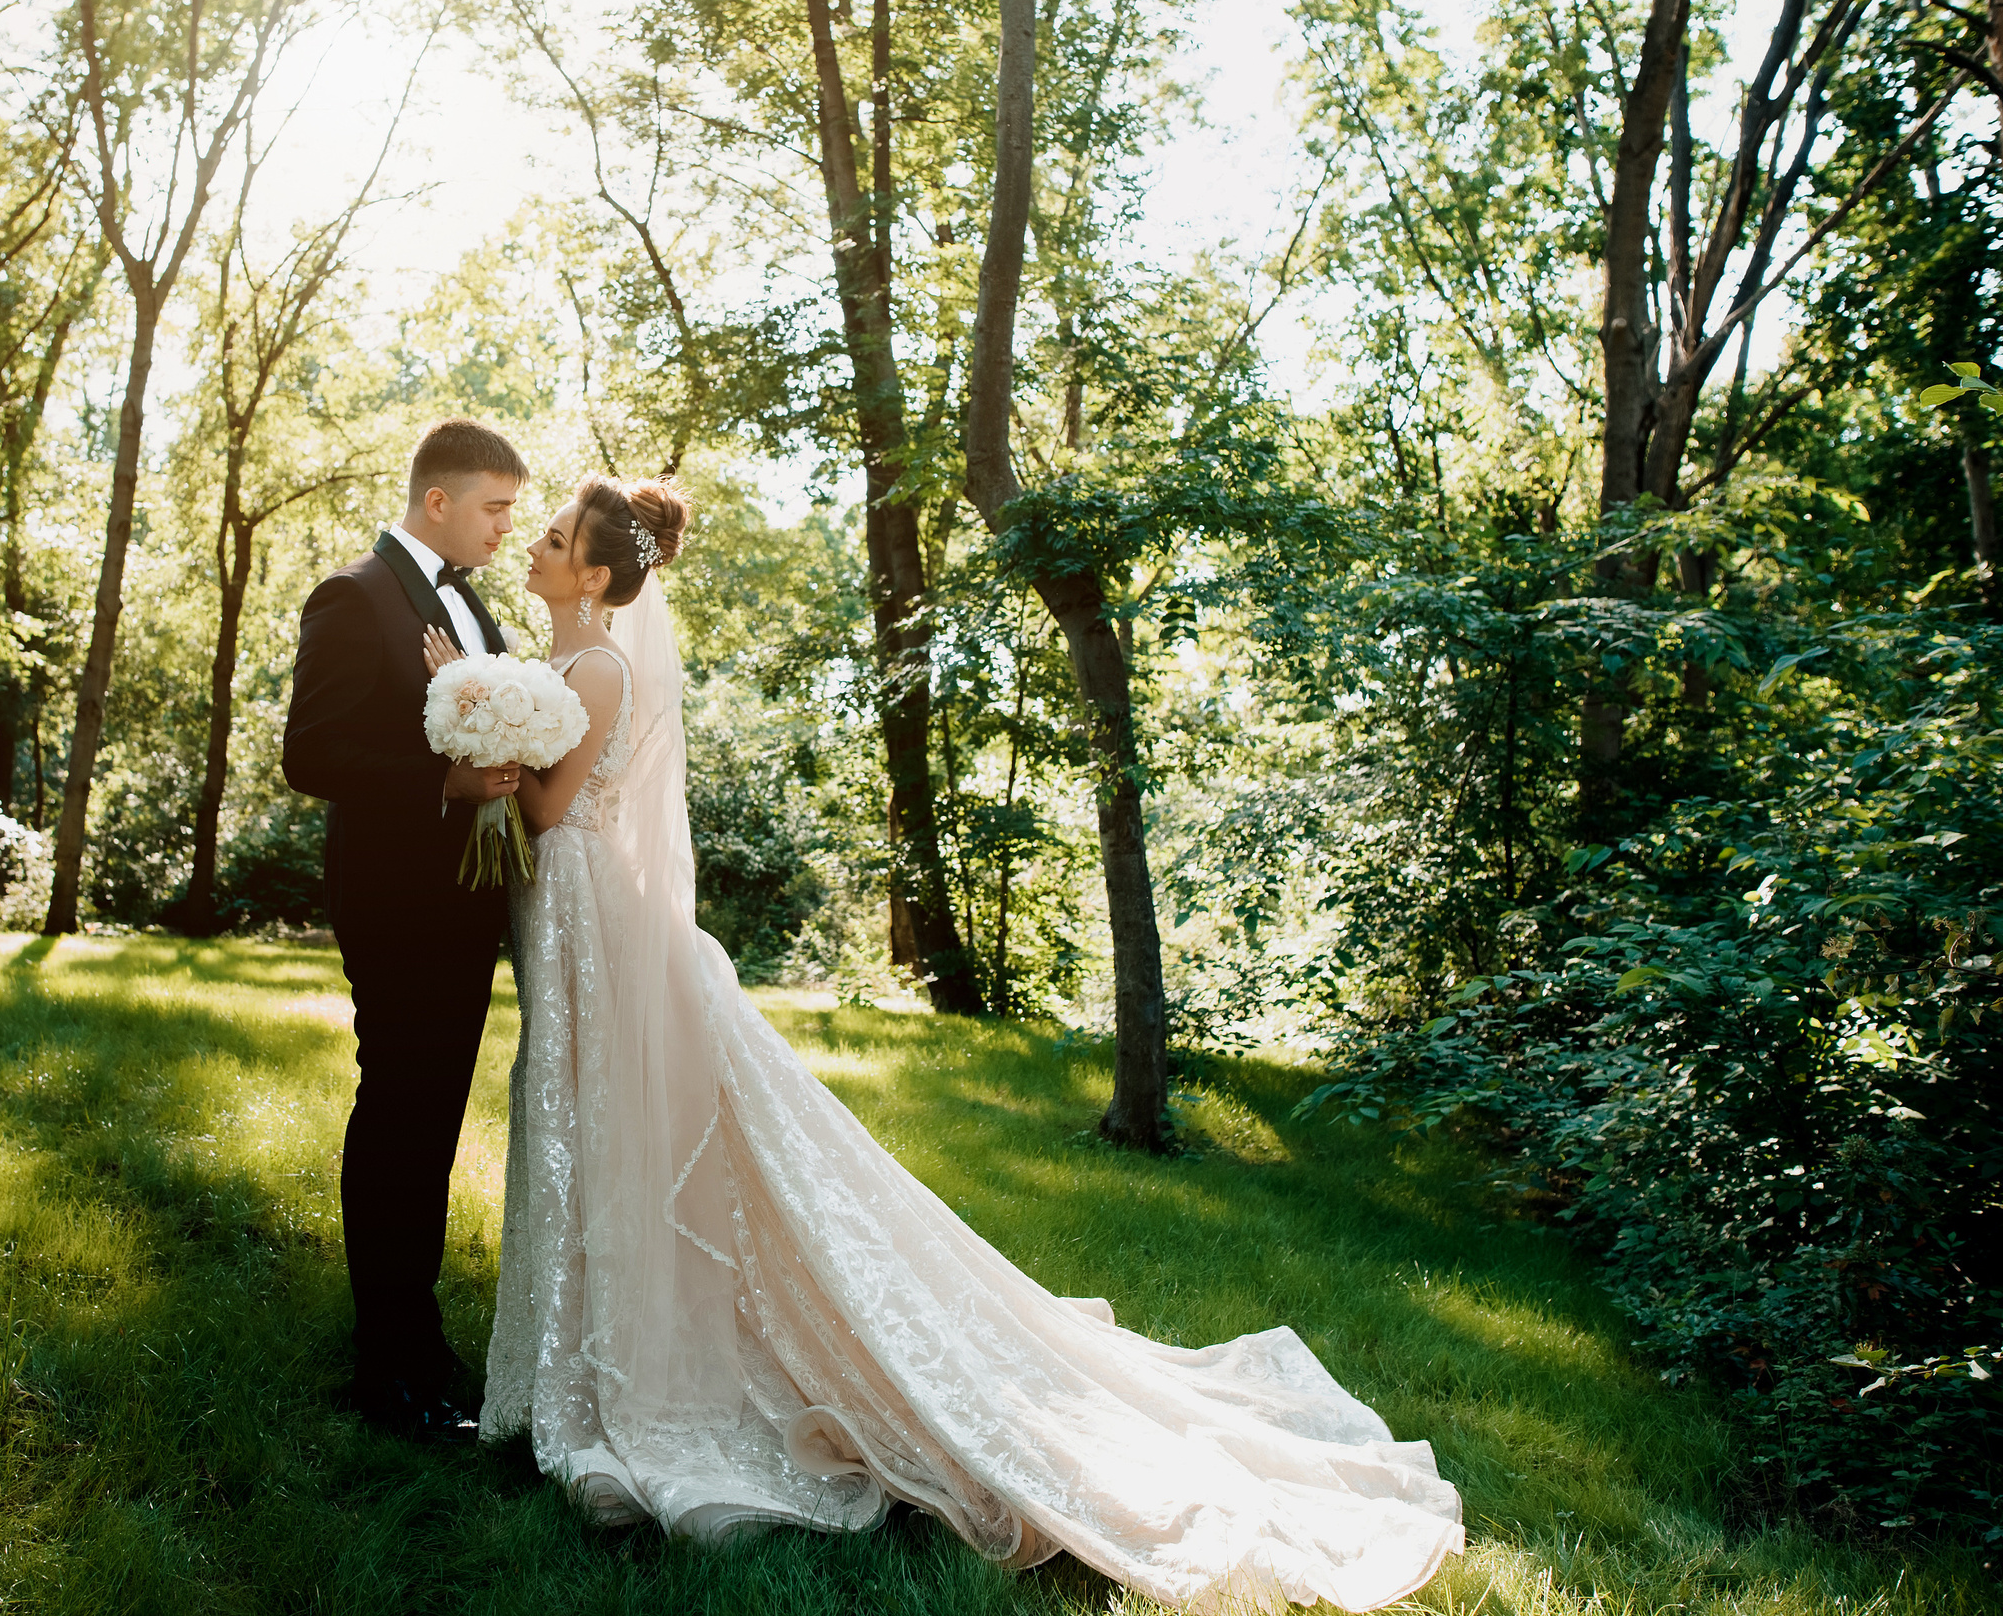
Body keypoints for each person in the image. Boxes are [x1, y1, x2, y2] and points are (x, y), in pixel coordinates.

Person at [452, 476, 1469, 1613]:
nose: (533, 548)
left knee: (618, 1120)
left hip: (598, 919)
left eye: (552, 539)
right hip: (583, 917)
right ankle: (584, 1353)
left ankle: (632, 1374)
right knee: (590, 1121)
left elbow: (548, 811)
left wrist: (475, 746)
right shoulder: (578, 661)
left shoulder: (595, 667)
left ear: (595, 574)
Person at [280, 417, 527, 1439]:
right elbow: (312, 755)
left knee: (431, 1123)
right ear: (438, 501)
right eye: (494, 508)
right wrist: (447, 781)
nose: (507, 528)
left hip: (465, 904)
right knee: (399, 1115)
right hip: (396, 900)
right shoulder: (355, 596)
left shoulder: (470, 606)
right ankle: (388, 1362)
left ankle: (421, 1341)